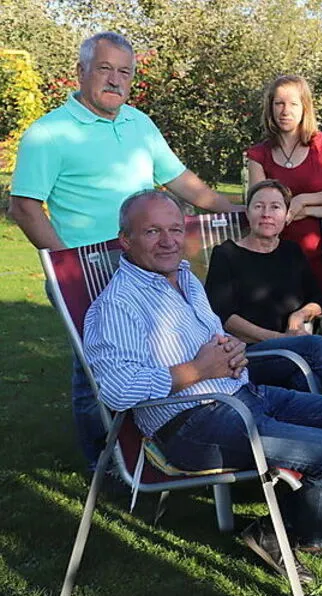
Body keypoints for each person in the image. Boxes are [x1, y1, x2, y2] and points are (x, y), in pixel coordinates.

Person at [83, 190, 322, 585]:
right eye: (152, 231)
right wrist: (198, 370)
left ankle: (277, 528)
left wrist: (233, 350)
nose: (169, 241)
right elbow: (118, 391)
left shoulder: (185, 279)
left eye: (175, 229)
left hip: (243, 395)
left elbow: (212, 337)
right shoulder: (117, 305)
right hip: (191, 426)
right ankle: (315, 535)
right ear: (126, 240)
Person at [8, 31, 238, 473]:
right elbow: (24, 207)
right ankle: (106, 463)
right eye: (105, 69)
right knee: (94, 372)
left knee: (154, 353)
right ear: (80, 72)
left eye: (125, 72)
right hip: (87, 269)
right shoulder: (49, 133)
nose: (115, 80)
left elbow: (181, 181)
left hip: (145, 261)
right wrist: (68, 267)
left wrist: (236, 210)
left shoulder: (139, 124)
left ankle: (153, 444)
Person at [204, 179, 322, 401]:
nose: (266, 214)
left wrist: (298, 316)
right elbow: (222, 315)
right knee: (316, 347)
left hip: (291, 351)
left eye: (275, 207)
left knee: (303, 380)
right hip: (246, 353)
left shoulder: (291, 251)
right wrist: (280, 339)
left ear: (286, 216)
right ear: (247, 213)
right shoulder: (226, 255)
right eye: (259, 206)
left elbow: (317, 296)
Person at [246, 75, 322, 300]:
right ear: (270, 108)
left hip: (319, 254)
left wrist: (302, 200)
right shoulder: (258, 154)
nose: (285, 111)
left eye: (293, 104)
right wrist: (308, 211)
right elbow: (259, 211)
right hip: (273, 254)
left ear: (305, 107)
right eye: (279, 103)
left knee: (321, 315)